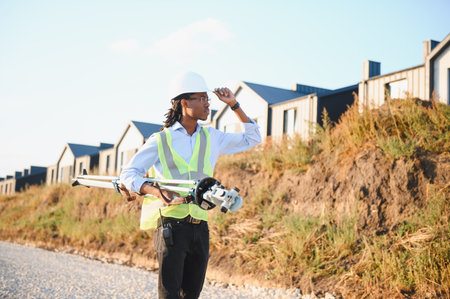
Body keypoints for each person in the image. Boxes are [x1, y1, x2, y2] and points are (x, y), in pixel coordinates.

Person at [119, 71, 261, 299]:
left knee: (191, 296)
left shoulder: (212, 137)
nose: (208, 104)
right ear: (185, 103)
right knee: (170, 295)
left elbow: (252, 138)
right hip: (170, 226)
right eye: (202, 98)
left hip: (200, 226)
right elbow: (128, 174)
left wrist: (234, 104)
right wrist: (155, 190)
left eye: (208, 99)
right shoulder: (161, 139)